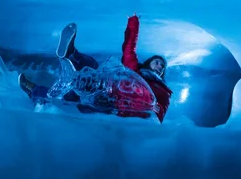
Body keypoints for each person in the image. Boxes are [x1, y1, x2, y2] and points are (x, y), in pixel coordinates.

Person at [18, 14, 173, 123]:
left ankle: (34, 90)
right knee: (91, 66)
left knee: (71, 97)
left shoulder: (163, 90)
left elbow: (158, 113)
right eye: (157, 62)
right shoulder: (135, 72)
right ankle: (71, 53)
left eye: (162, 66)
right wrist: (133, 22)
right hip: (107, 89)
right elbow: (129, 50)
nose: (159, 66)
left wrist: (127, 111)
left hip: (113, 106)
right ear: (149, 63)